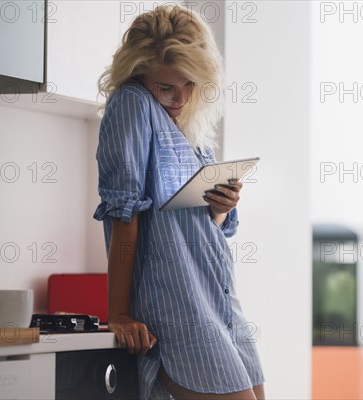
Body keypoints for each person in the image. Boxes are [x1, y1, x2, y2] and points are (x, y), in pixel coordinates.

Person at [93, 4, 265, 399]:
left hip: (219, 301)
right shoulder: (133, 104)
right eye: (166, 87)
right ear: (137, 73)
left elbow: (207, 227)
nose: (179, 98)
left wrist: (221, 207)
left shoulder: (189, 128)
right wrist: (117, 313)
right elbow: (125, 214)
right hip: (180, 308)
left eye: (189, 85)